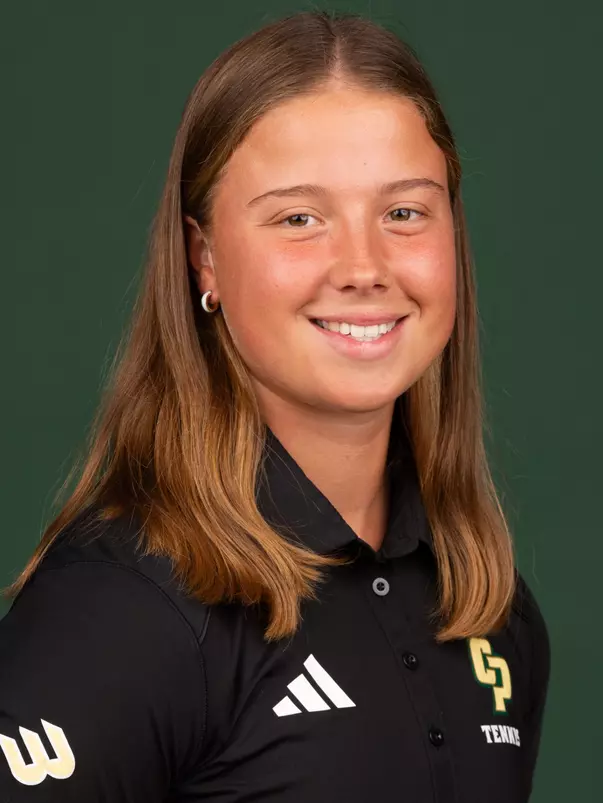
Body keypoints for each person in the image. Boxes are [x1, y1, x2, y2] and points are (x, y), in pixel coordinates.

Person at [0, 9, 550, 802]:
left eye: (403, 212)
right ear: (205, 258)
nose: (363, 266)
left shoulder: (492, 613)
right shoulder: (123, 611)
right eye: (300, 218)